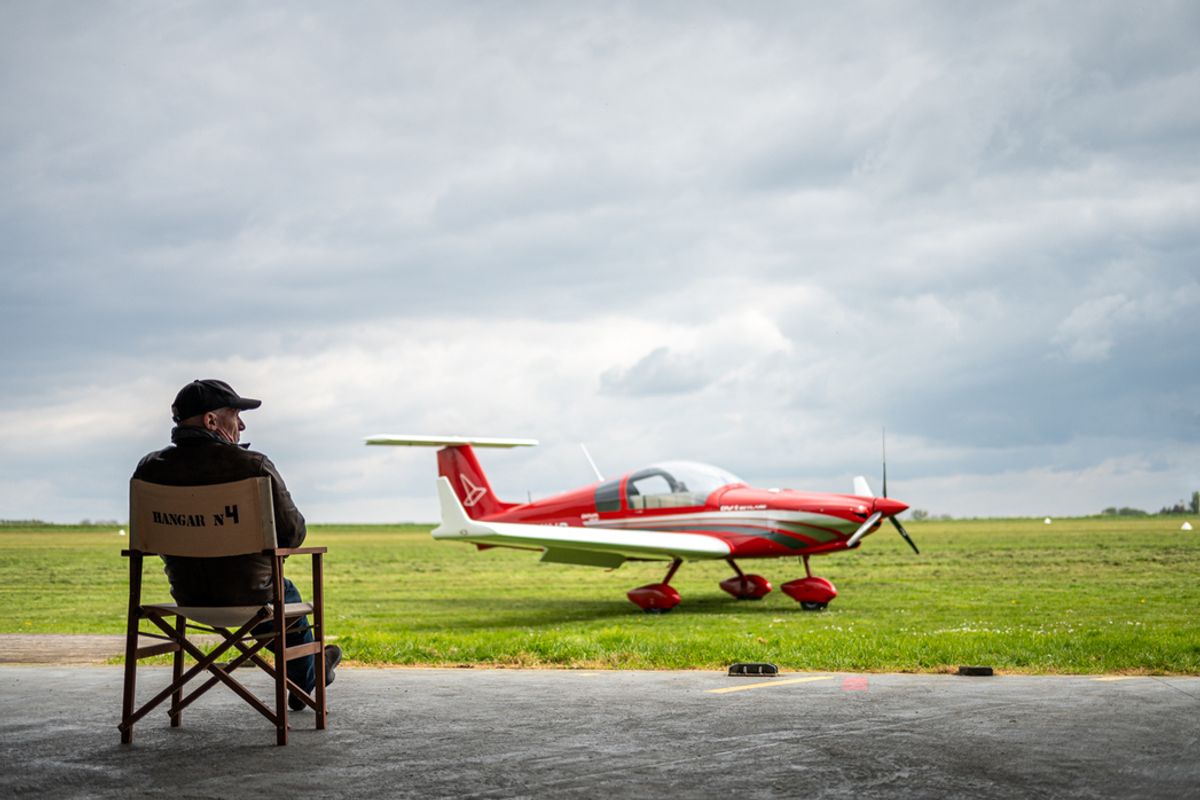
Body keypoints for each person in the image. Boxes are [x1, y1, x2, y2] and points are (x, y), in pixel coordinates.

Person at [132, 378, 340, 711]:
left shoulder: (149, 470)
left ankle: (310, 669)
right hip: (253, 598)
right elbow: (294, 534)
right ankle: (309, 673)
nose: (241, 424)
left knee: (270, 596)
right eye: (235, 414)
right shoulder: (253, 466)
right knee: (278, 595)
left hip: (187, 597)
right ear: (211, 421)